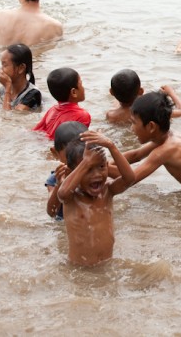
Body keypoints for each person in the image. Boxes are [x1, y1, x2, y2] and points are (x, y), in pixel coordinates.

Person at [57, 132, 136, 266]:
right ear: (73, 172)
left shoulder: (108, 191)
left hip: (107, 265)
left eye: (101, 167)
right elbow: (62, 193)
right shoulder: (72, 198)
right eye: (88, 169)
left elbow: (130, 179)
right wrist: (86, 161)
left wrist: (112, 147)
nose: (97, 175)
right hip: (79, 269)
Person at [106, 69, 181, 124]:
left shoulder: (111, 115)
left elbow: (121, 104)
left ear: (111, 92)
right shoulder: (150, 110)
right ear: (141, 91)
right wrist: (171, 92)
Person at [45, 121, 88, 219]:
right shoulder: (55, 178)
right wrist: (59, 185)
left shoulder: (94, 172)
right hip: (64, 222)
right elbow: (52, 212)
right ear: (55, 153)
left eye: (83, 153)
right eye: (70, 156)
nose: (77, 160)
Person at [33, 68, 91, 140]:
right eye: (81, 84)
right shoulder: (82, 115)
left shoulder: (52, 110)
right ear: (74, 92)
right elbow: (77, 143)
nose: (83, 87)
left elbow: (36, 131)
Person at [0, 43, 41, 111]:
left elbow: (7, 117)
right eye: (1, 65)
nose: (1, 70)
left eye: (5, 65)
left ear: (21, 68)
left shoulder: (32, 94)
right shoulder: (2, 90)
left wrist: (8, 89)